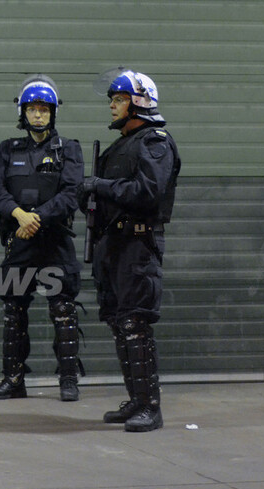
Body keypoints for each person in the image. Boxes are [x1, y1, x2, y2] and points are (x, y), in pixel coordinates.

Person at [80, 69, 180, 432]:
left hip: (137, 245)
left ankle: (150, 407)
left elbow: (147, 192)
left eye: (119, 99)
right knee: (120, 324)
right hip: (113, 246)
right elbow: (104, 200)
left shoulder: (154, 142)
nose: (112, 105)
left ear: (139, 102)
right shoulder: (117, 147)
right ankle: (136, 400)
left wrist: (100, 186)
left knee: (135, 323)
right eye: (112, 99)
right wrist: (87, 196)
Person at [0, 75, 85, 402]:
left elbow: (71, 195)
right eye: (32, 109)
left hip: (55, 242)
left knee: (64, 310)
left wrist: (35, 218)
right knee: (13, 311)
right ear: (23, 112)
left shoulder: (69, 149)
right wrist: (19, 215)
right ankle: (13, 380)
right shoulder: (7, 149)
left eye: (44, 109)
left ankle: (68, 380)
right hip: (20, 243)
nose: (38, 115)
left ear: (53, 113)